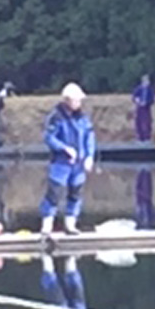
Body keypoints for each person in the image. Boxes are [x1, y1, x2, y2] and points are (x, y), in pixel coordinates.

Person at [39, 83, 96, 235]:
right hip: (61, 163)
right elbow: (49, 138)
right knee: (54, 193)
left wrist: (89, 156)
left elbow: (89, 137)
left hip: (78, 164)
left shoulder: (83, 118)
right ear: (67, 100)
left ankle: (71, 224)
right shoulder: (56, 117)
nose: (79, 103)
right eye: (76, 100)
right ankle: (47, 225)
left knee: (75, 194)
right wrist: (64, 148)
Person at [131, 74, 155, 142]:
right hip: (139, 108)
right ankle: (140, 137)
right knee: (138, 122)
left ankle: (147, 137)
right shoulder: (139, 88)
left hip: (147, 108)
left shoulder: (150, 90)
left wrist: (147, 102)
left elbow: (153, 99)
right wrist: (137, 100)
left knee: (147, 122)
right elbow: (134, 97)